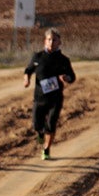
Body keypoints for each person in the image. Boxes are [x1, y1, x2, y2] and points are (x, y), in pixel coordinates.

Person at [23, 28, 77, 160]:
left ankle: (46, 149)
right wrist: (27, 79)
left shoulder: (64, 60)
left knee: (51, 124)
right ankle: (40, 133)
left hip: (55, 99)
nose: (51, 42)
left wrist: (66, 78)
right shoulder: (38, 57)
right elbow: (28, 70)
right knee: (36, 124)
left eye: (54, 40)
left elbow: (72, 77)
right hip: (39, 98)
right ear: (45, 41)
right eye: (49, 40)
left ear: (59, 42)